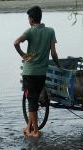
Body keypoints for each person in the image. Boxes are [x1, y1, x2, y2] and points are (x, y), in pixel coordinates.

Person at [14, 6, 61, 138]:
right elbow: (54, 53)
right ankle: (29, 127)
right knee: (33, 99)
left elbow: (16, 43)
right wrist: (59, 65)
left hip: (29, 72)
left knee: (32, 100)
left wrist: (23, 55)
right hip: (41, 73)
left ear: (32, 19)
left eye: (28, 18)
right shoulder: (51, 31)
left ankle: (34, 132)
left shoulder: (30, 31)